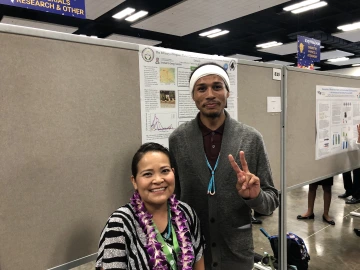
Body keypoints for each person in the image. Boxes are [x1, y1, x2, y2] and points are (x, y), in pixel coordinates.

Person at [169, 63, 279, 270]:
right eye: (202, 88)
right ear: (193, 96)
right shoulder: (178, 140)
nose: (210, 94)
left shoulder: (251, 139)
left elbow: (271, 201)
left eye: (217, 87)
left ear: (227, 92)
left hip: (236, 253)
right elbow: (174, 199)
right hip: (192, 252)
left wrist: (254, 197)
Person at [96, 143, 205, 270]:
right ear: (134, 181)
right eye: (148, 174)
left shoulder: (186, 213)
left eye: (165, 171)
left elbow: (199, 263)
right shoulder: (119, 224)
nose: (158, 180)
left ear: (173, 173)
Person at [338, 124, 360, 204]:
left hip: (357, 145)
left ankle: (356, 196)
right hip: (348, 144)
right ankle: (349, 190)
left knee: (357, 171)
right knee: (345, 169)